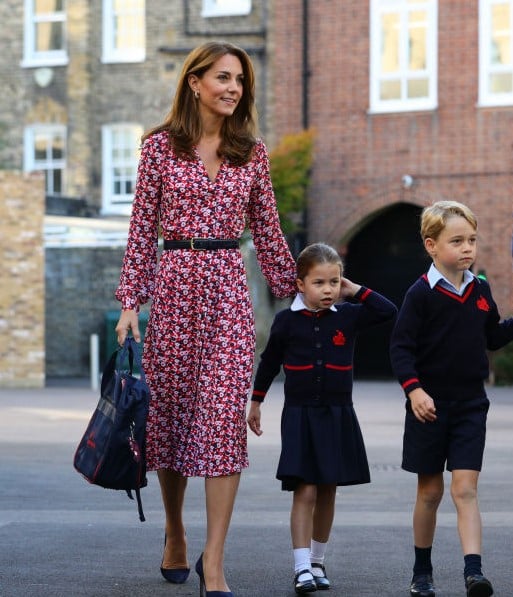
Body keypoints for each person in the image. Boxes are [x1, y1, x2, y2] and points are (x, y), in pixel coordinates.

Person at [114, 41, 297, 597]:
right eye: (222, 77)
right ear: (194, 82)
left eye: (240, 80)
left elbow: (267, 233)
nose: (234, 88)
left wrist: (304, 294)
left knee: (220, 424)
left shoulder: (253, 153)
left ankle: (213, 562)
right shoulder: (158, 149)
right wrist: (130, 302)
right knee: (168, 422)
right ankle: (175, 530)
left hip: (226, 296)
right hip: (173, 289)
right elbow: (142, 230)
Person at [247, 242, 397, 594]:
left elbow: (388, 310)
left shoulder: (348, 315)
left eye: (334, 281)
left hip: (338, 413)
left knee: (328, 488)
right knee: (306, 488)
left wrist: (354, 290)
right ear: (300, 284)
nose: (328, 289)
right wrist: (256, 403)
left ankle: (317, 561)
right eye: (319, 282)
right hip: (300, 415)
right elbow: (268, 363)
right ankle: (301, 567)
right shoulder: (286, 321)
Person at [390, 200, 513, 597]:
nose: (467, 248)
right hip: (428, 407)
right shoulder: (419, 294)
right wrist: (414, 390)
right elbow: (401, 348)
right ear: (431, 245)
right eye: (457, 241)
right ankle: (421, 572)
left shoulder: (480, 289)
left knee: (465, 489)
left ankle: (473, 572)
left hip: (470, 407)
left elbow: (492, 336)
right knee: (430, 491)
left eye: (472, 240)